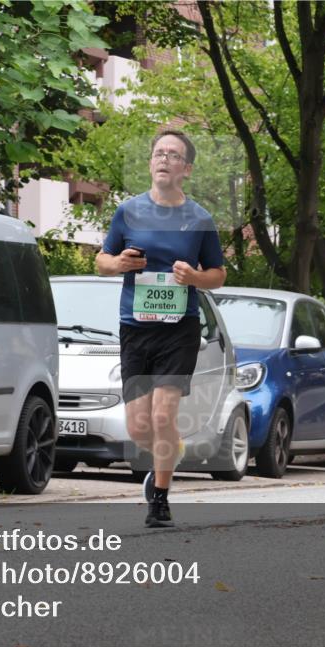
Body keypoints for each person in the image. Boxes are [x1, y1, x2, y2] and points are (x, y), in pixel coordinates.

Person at [96, 130, 226, 527]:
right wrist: (119, 264)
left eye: (173, 155)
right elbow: (102, 260)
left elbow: (218, 274)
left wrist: (194, 278)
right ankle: (169, 453)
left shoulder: (199, 219)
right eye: (158, 153)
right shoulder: (128, 212)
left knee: (163, 416)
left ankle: (161, 497)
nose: (164, 159)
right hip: (135, 328)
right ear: (151, 163)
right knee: (138, 428)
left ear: (186, 169)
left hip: (179, 329)